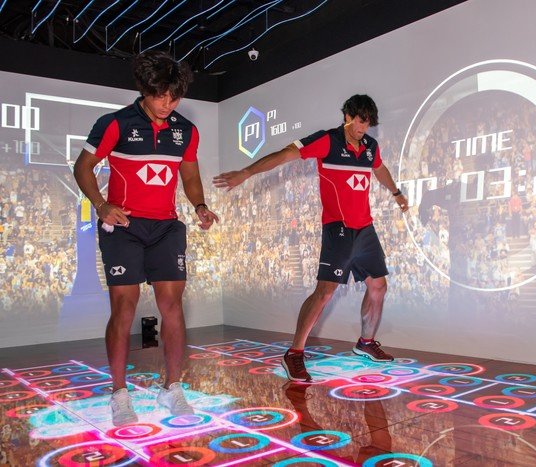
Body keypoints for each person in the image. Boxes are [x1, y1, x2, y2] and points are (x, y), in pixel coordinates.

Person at [214, 95, 408, 382]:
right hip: (338, 228)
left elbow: (379, 168)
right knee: (325, 292)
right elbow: (284, 154)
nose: (362, 128)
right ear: (347, 116)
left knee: (378, 286)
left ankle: (366, 343)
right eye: (359, 121)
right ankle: (294, 353)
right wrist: (246, 172)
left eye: (367, 123)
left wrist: (396, 192)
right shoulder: (327, 141)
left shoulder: (370, 147)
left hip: (365, 229)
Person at [73, 50, 219, 425]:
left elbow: (189, 175)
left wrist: (200, 205)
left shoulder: (187, 130)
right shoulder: (115, 124)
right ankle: (119, 395)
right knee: (124, 307)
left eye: (174, 97)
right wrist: (101, 205)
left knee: (172, 307)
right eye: (160, 96)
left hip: (166, 228)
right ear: (145, 90)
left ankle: (172, 388)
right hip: (123, 226)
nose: (167, 104)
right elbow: (83, 167)